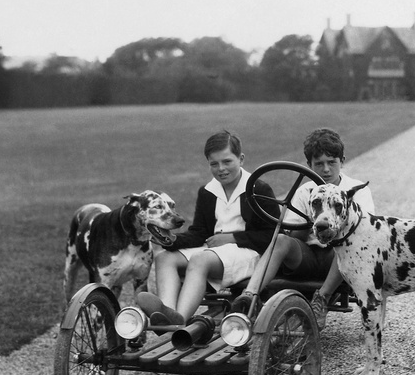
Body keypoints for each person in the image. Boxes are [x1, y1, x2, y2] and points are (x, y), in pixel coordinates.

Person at [137, 130, 278, 326]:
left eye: (227, 161)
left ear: (241, 159)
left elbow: (272, 236)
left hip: (249, 254)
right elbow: (200, 233)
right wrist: (174, 240)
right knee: (165, 257)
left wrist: (233, 238)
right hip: (214, 252)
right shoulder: (207, 192)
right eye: (214, 164)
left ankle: (179, 319)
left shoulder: (258, 189)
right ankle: (167, 314)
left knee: (200, 259)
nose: (221, 169)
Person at [242, 128, 374, 330]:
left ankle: (322, 299)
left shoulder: (355, 190)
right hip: (308, 257)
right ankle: (248, 298)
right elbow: (295, 235)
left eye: (332, 163)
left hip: (338, 260)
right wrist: (310, 220)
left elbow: (363, 233)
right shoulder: (305, 192)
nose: (326, 170)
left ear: (342, 161)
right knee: (280, 240)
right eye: (319, 164)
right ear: (309, 166)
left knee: (349, 243)